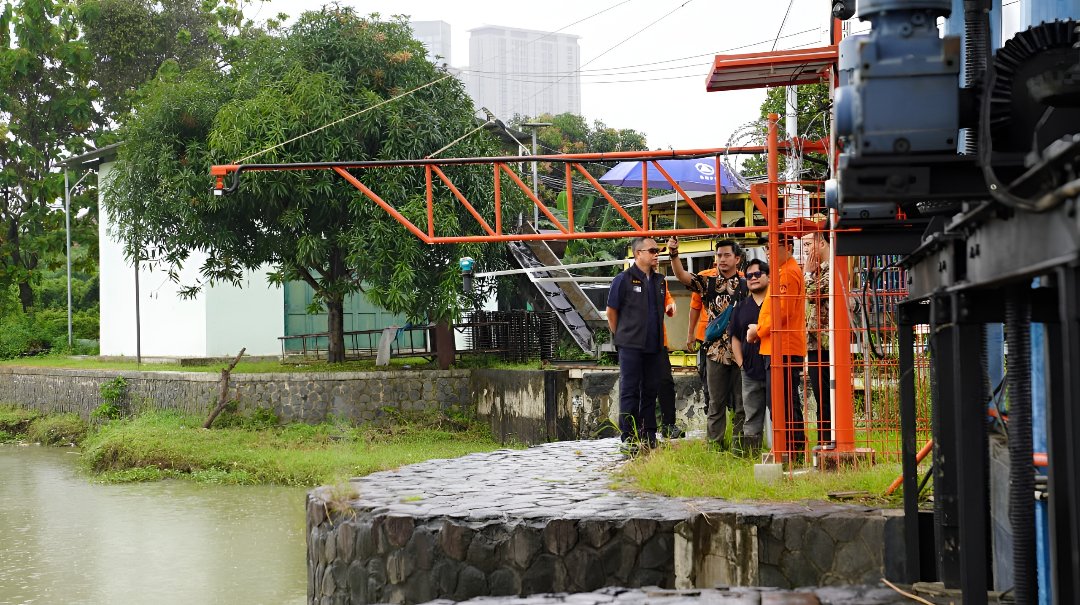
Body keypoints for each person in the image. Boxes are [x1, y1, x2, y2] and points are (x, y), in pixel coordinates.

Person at [666, 237, 747, 449]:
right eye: (719, 255)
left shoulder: (747, 283)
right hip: (715, 351)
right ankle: (715, 446)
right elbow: (683, 276)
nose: (722, 259)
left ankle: (741, 447)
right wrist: (674, 254)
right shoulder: (707, 281)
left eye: (727, 255)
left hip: (742, 352)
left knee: (742, 403)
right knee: (715, 402)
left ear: (737, 259)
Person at [747, 234, 807, 460]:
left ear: (788, 247)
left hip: (783, 347)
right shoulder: (783, 271)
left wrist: (758, 330)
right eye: (766, 247)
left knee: (783, 402)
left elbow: (782, 312)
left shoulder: (788, 273)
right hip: (776, 346)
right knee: (782, 401)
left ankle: (791, 449)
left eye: (773, 246)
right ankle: (790, 448)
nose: (768, 252)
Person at [607, 237, 667, 455]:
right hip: (630, 345)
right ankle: (629, 435)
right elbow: (611, 312)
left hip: (654, 344)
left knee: (650, 389)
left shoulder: (660, 280)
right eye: (652, 250)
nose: (656, 254)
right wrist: (622, 336)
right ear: (638, 253)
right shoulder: (623, 280)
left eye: (658, 250)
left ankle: (649, 433)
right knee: (630, 390)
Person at [729, 258, 769, 455]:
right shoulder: (741, 307)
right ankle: (751, 456)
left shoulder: (775, 303)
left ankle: (786, 454)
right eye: (749, 275)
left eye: (758, 274)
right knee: (751, 416)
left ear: (769, 277)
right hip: (750, 371)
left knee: (780, 414)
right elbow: (735, 337)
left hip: (773, 367)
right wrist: (741, 364)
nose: (753, 278)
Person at [801, 227, 832, 447]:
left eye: (808, 244)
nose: (805, 250)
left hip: (827, 343)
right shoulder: (820, 271)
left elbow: (811, 293)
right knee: (821, 395)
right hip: (815, 342)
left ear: (821, 243)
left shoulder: (830, 270)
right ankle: (824, 439)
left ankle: (828, 439)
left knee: (826, 394)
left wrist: (807, 273)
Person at [686, 262, 718, 429]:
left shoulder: (741, 279)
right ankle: (711, 420)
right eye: (719, 256)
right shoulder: (704, 277)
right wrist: (690, 333)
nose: (722, 260)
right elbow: (695, 307)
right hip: (705, 337)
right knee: (707, 379)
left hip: (730, 337)